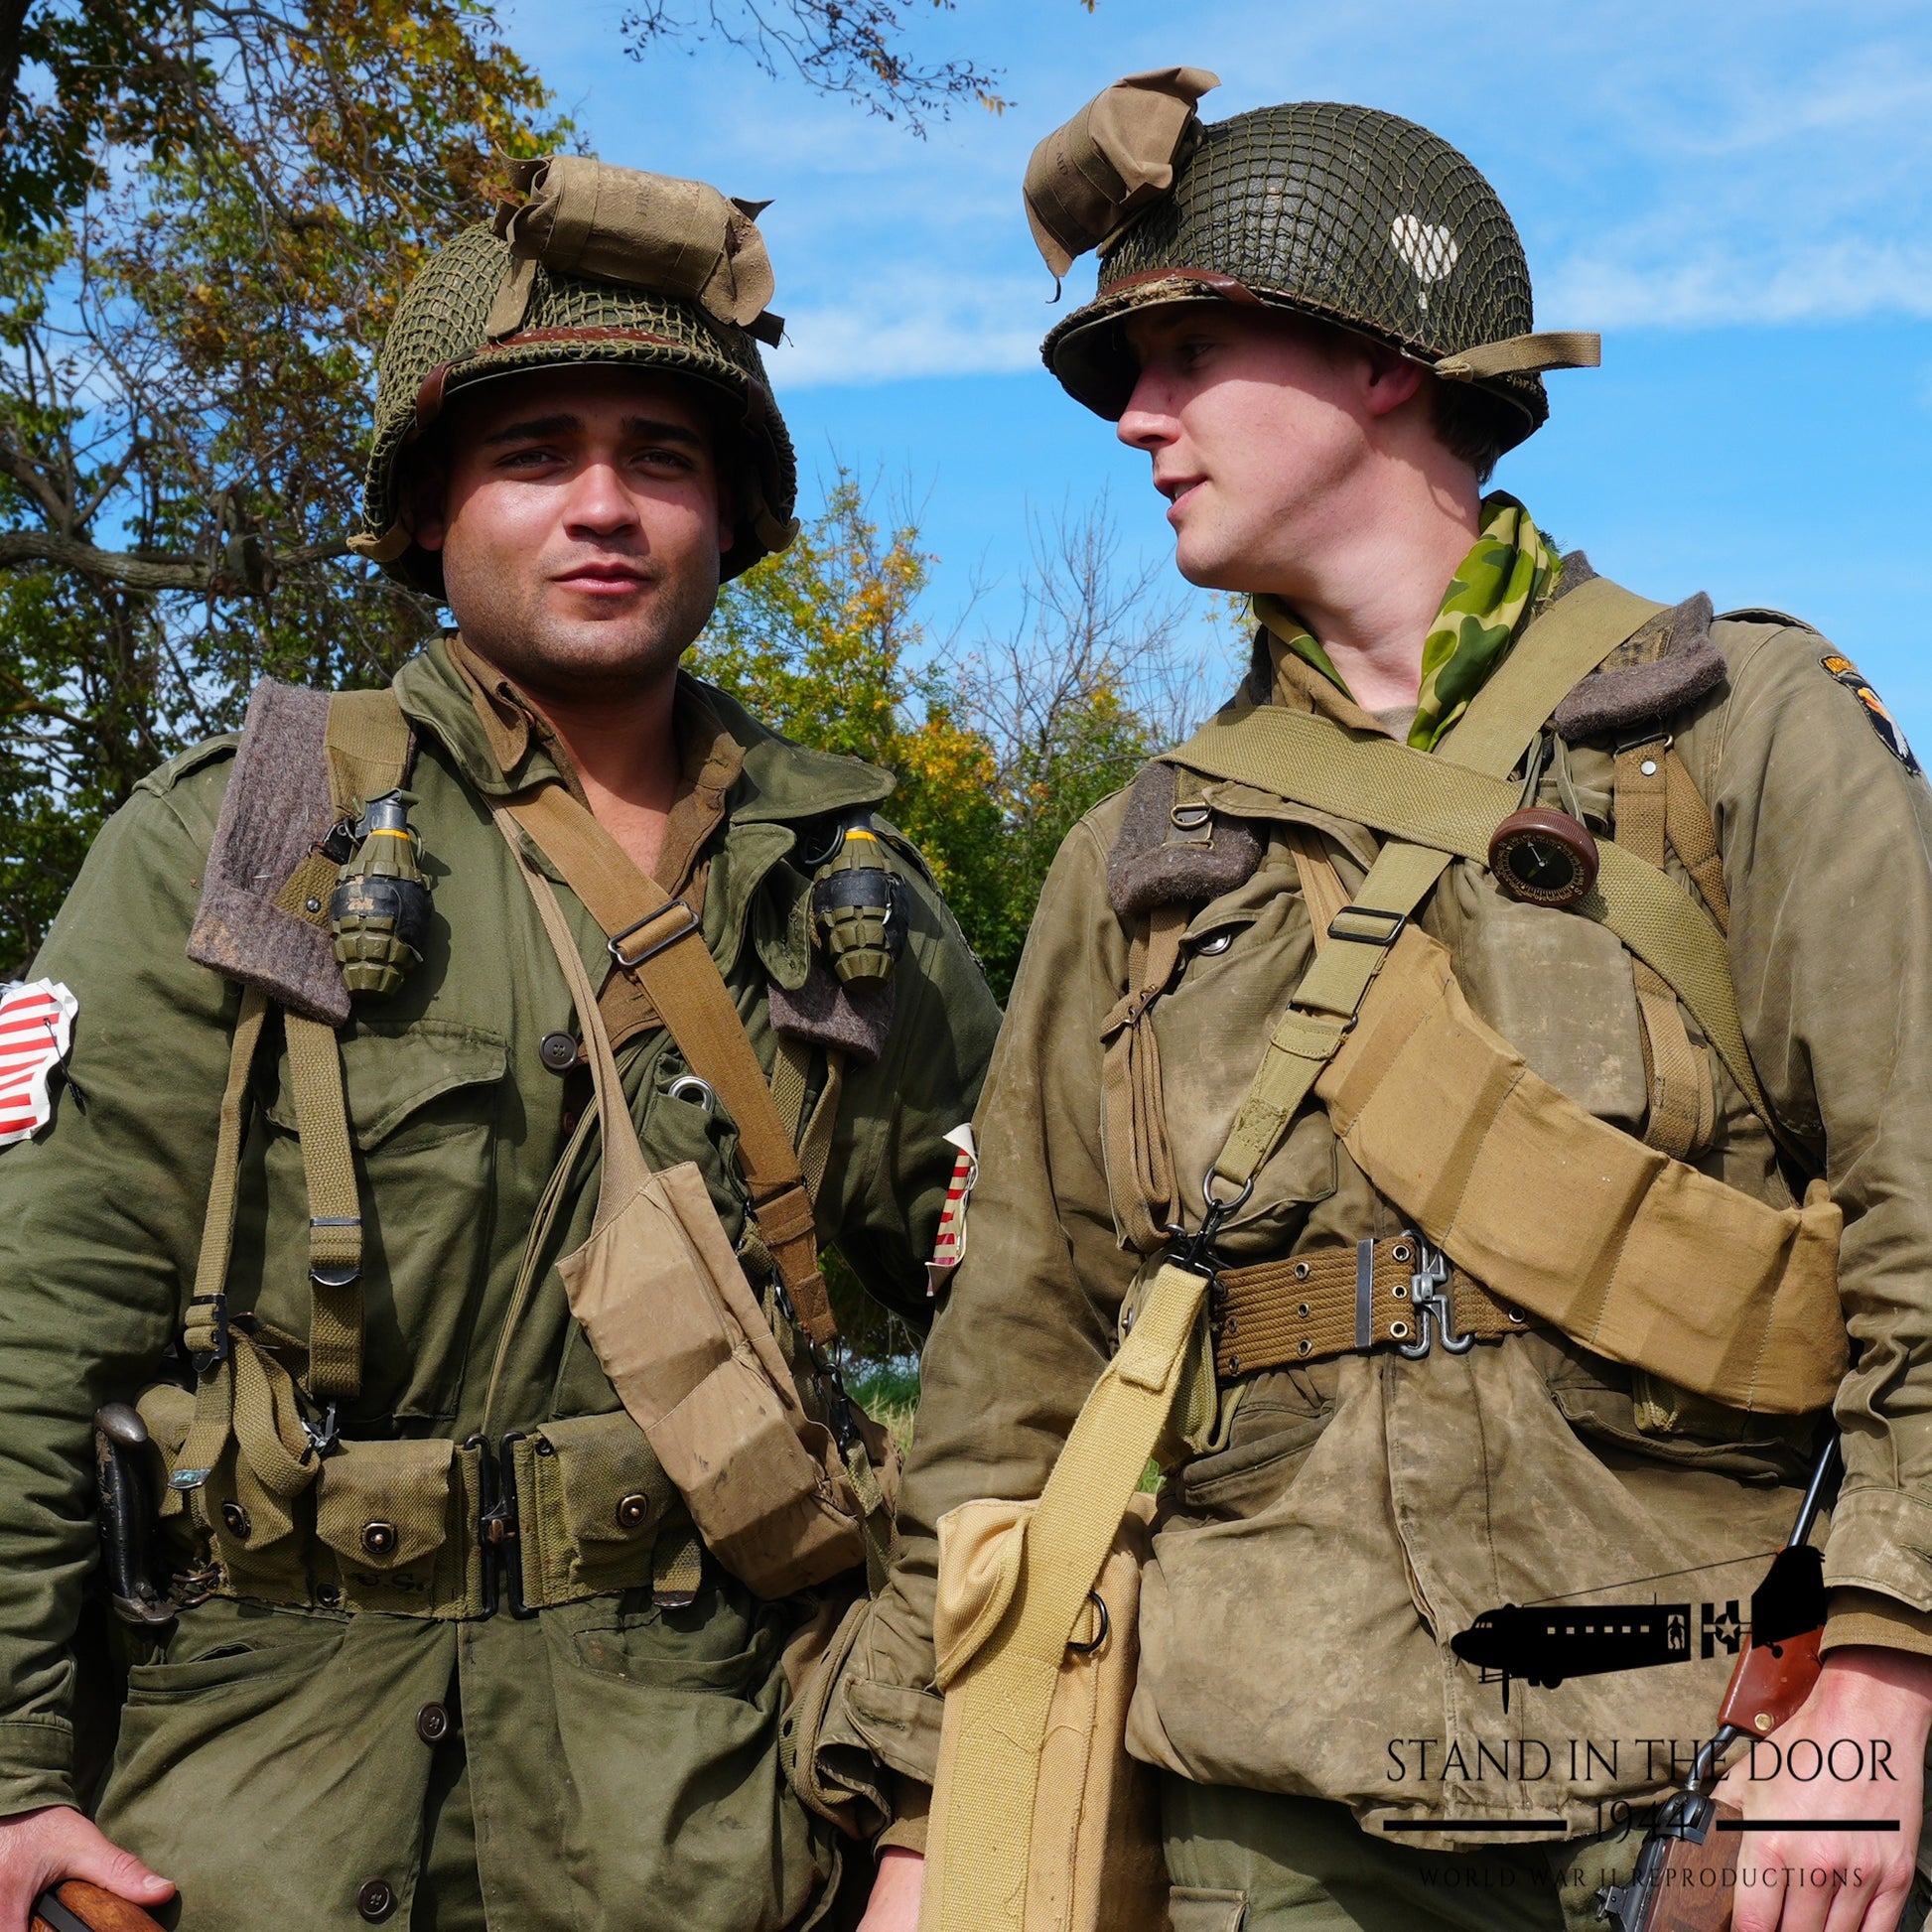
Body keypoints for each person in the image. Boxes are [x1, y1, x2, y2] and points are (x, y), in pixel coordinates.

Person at [847, 74, 1932, 1932]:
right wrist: (932, 1824)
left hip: (1707, 1770)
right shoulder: (1140, 857)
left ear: (1377, 358)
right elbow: (1010, 1377)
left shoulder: (1733, 741)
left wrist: (1886, 1664)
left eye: (1189, 352)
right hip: (1262, 1815)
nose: (1139, 416)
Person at [0, 155, 1000, 1931]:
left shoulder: (839, 890)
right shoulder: (251, 827)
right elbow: (32, 1320)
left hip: (714, 1817)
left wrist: (929, 1803)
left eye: (660, 457)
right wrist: (7, 1776)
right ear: (429, 512)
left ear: (730, 514)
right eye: (535, 454)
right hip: (256, 1821)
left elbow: (1022, 1357)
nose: (602, 505)